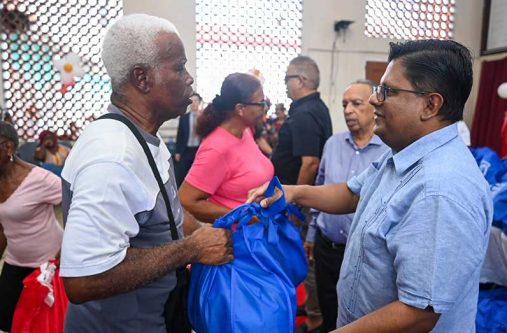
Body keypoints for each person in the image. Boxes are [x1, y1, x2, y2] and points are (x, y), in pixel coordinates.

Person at [248, 40, 492, 332]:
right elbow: (352, 193)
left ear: (430, 104)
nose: (375, 99)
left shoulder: (440, 189)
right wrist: (293, 192)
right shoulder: (404, 153)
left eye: (388, 91)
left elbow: (418, 313)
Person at [59, 14, 233, 333]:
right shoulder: (112, 157)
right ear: (142, 78)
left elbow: (166, 216)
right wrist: (192, 249)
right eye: (179, 67)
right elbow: (83, 280)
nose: (189, 78)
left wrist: (207, 232)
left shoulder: (143, 137)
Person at [305, 80, 388, 332]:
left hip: (363, 252)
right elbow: (320, 189)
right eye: (344, 104)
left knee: (358, 314)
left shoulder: (387, 151)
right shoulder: (332, 144)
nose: (348, 110)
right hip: (326, 247)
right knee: (329, 308)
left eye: (356, 103)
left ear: (374, 106)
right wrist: (311, 234)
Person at [271, 55, 332, 332]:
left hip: (298, 201)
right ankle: (310, 310)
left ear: (302, 80)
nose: (285, 85)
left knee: (303, 259)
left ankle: (314, 319)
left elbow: (310, 163)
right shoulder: (309, 108)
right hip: (298, 199)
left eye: (287, 79)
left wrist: (291, 202)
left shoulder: (306, 113)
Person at [178, 73, 274, 223]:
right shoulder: (216, 148)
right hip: (237, 239)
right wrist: (241, 216)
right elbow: (186, 201)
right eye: (261, 103)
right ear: (240, 109)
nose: (265, 108)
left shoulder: (245, 132)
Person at [0, 121, 63, 332]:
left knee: (43, 325)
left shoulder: (40, 179)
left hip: (48, 266)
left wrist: (69, 247)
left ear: (7, 147)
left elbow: (79, 205)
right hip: (15, 261)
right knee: (6, 320)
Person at [174, 92, 203, 187]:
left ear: (199, 102)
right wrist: (177, 151)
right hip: (186, 150)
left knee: (199, 174)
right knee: (183, 174)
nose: (194, 103)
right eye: (192, 101)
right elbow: (180, 135)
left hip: (199, 150)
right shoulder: (184, 118)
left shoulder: (204, 118)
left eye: (196, 101)